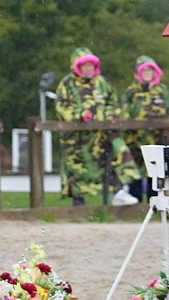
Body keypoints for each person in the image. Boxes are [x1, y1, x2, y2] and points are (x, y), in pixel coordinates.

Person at [54, 47, 140, 207]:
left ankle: (119, 192)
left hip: (101, 136)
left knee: (116, 155)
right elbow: (61, 108)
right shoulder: (67, 84)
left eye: (91, 65)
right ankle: (78, 205)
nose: (88, 69)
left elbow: (113, 103)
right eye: (84, 65)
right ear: (77, 66)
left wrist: (111, 116)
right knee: (77, 170)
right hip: (77, 139)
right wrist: (80, 115)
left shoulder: (102, 82)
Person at [121, 55, 169, 201]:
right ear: (139, 73)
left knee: (155, 175)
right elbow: (124, 113)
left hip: (157, 140)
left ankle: (153, 205)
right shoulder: (131, 92)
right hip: (135, 141)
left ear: (155, 72)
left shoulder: (162, 91)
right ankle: (135, 207)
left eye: (150, 69)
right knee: (135, 174)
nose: (147, 72)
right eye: (144, 70)